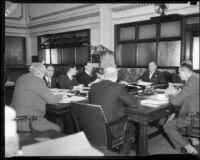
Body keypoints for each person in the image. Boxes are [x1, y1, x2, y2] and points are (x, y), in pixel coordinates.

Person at [88, 67, 140, 155]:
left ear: (104, 75)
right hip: (111, 127)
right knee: (131, 127)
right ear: (116, 76)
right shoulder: (118, 87)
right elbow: (134, 103)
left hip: (93, 126)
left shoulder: (93, 86)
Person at [11, 63, 63, 132]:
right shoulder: (38, 80)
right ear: (42, 73)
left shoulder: (21, 78)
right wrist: (61, 96)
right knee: (57, 128)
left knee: (48, 120)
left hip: (13, 117)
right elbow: (51, 100)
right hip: (28, 120)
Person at [164, 62, 199, 154]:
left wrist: (170, 94)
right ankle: (195, 140)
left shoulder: (190, 83)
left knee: (168, 126)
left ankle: (189, 148)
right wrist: (178, 93)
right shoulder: (195, 79)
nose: (179, 75)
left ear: (185, 72)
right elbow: (188, 94)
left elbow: (175, 102)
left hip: (193, 117)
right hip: (196, 113)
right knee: (172, 117)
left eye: (179, 73)